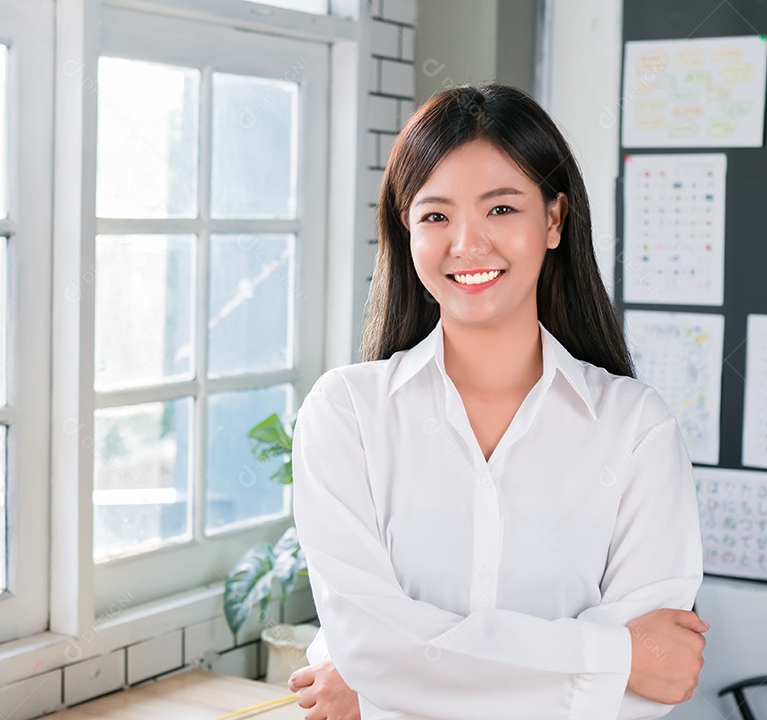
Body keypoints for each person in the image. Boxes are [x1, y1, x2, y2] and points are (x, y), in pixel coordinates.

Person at [286, 82, 707, 720]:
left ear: (555, 220)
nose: (468, 243)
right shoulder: (345, 414)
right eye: (435, 216)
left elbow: (656, 681)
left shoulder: (637, 427)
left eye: (502, 209)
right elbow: (371, 647)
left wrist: (384, 690)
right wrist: (614, 655)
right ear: (406, 231)